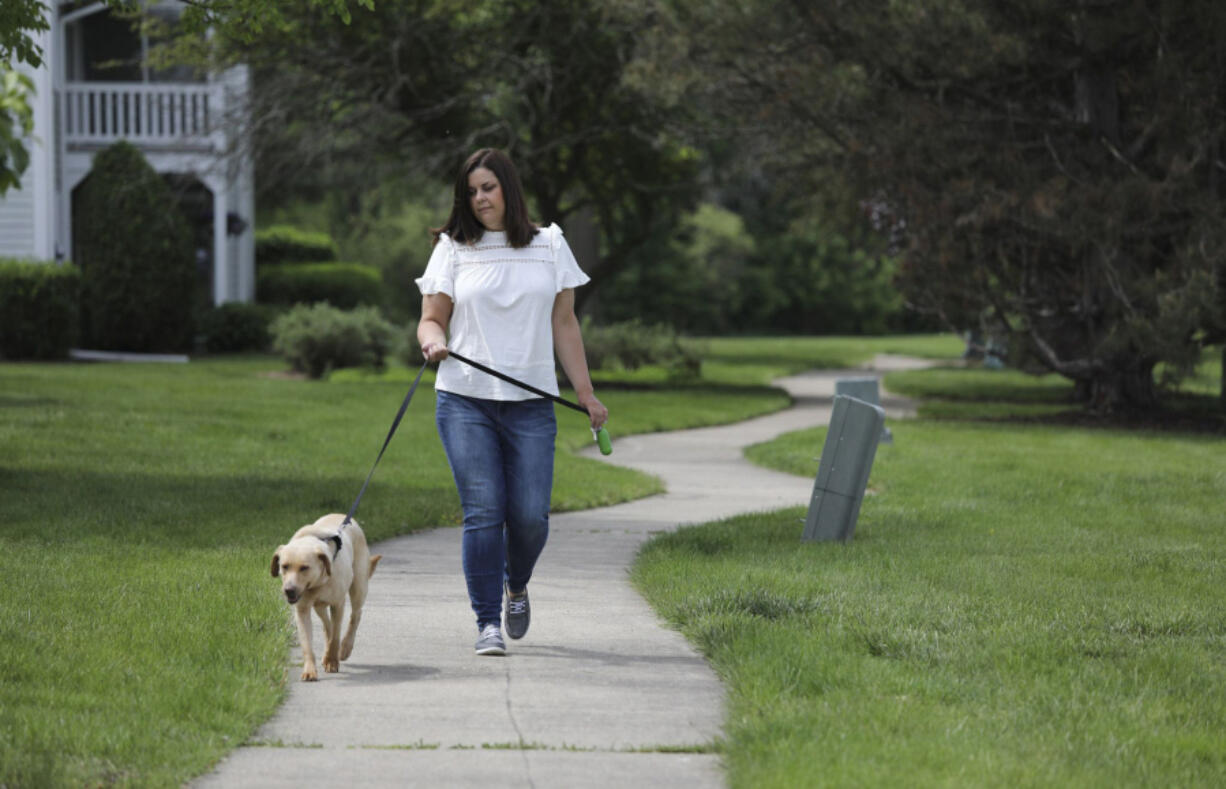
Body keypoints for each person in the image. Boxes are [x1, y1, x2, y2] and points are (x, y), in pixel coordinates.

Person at [416, 148, 608, 656]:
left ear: (509, 188)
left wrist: (585, 394)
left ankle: (515, 584)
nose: (480, 198)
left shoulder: (549, 244)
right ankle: (486, 624)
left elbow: (564, 323)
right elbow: (431, 316)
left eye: (488, 187)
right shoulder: (453, 249)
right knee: (483, 511)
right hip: (465, 399)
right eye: (472, 191)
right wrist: (432, 339)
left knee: (529, 517)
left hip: (531, 403)